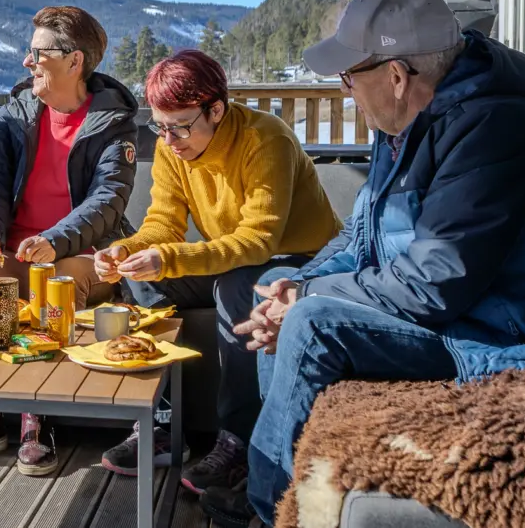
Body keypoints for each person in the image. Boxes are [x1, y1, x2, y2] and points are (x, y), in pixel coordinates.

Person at [197, 0, 525, 528]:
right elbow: (359, 241)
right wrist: (294, 283)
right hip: (468, 317)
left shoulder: (499, 127)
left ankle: (267, 509)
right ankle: (280, 480)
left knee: (311, 321)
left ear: (396, 77)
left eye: (351, 77)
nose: (347, 90)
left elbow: (435, 280)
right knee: (275, 283)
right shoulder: (403, 125)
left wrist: (305, 297)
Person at [93, 50, 342, 495]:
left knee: (238, 285)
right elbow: (163, 225)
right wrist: (124, 250)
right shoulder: (175, 147)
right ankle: (166, 425)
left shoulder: (266, 140)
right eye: (160, 126)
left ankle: (240, 443)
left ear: (216, 110)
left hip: (302, 261)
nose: (168, 139)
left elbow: (259, 241)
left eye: (180, 126)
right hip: (229, 256)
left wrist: (169, 258)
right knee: (140, 279)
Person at [0, 6, 139, 476]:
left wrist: (55, 239)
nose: (27, 63)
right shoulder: (16, 112)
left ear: (75, 62)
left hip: (83, 253)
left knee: (58, 282)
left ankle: (37, 417)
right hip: (16, 247)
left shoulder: (114, 123)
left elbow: (109, 200)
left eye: (38, 53)